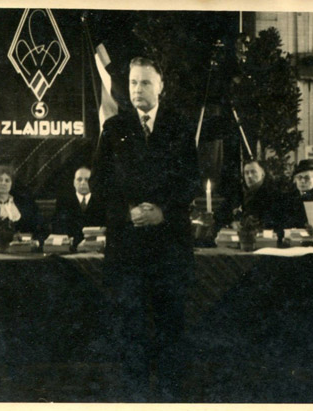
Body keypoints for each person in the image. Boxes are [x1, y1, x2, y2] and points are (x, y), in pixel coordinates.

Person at [93, 56, 200, 401]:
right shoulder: (114, 129)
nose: (138, 89)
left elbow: (191, 180)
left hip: (169, 249)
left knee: (171, 332)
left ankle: (171, 400)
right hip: (127, 251)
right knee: (131, 334)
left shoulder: (179, 127)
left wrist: (163, 212)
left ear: (161, 87)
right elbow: (99, 184)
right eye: (133, 82)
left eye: (146, 83)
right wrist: (128, 213)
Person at [0, 165, 45, 247]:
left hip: (24, 247)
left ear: (11, 184)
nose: (3, 183)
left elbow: (40, 227)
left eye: (7, 180)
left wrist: (36, 242)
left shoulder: (25, 202)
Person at [53, 166, 106, 247]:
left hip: (95, 247)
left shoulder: (101, 202)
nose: (83, 183)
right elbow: (58, 228)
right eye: (79, 179)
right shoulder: (63, 203)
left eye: (87, 180)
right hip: (70, 247)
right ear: (74, 182)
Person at [281, 159, 313, 229]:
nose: (302, 181)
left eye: (307, 178)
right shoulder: (288, 196)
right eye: (299, 177)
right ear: (295, 180)